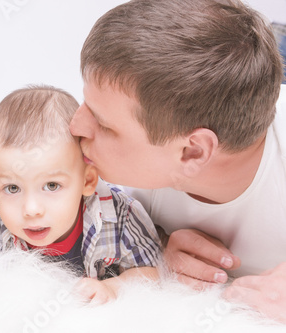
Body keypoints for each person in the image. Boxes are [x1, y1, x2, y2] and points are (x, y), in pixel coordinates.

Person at [69, 0, 286, 323]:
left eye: (104, 124)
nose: (75, 126)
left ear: (193, 152)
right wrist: (158, 246)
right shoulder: (116, 179)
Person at [0, 85, 161, 309]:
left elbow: (153, 272)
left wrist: (113, 287)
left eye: (52, 185)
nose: (31, 209)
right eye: (11, 188)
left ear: (87, 181)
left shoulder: (118, 216)